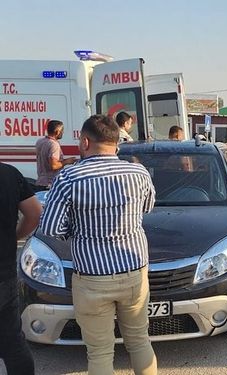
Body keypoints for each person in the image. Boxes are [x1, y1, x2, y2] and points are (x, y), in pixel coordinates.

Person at [40, 115, 157, 375]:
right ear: (116, 142)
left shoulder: (69, 178)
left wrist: (79, 230)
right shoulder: (138, 172)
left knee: (100, 352)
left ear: (84, 141)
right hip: (134, 272)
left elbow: (50, 228)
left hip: (92, 278)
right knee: (139, 341)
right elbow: (147, 207)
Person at [0, 163, 41, 375]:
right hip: (3, 275)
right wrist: (13, 237)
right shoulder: (9, 174)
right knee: (12, 342)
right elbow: (34, 212)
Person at [34, 120, 76, 189]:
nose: (63, 132)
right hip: (51, 184)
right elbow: (54, 165)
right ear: (57, 131)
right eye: (62, 130)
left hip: (40, 182)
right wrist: (67, 161)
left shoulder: (40, 141)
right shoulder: (54, 144)